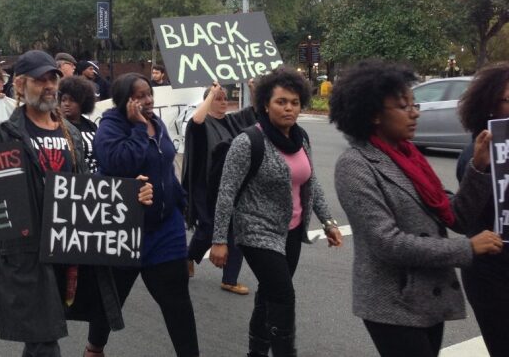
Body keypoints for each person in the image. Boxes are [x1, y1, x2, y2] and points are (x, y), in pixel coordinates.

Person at [0, 50, 151, 357]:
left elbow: (88, 189)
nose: (49, 86)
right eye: (40, 80)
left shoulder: (70, 132)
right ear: (19, 85)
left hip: (66, 249)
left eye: (52, 79)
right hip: (26, 254)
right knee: (44, 340)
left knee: (40, 337)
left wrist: (130, 195)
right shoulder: (2, 136)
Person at [330, 60, 502, 357]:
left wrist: (479, 167)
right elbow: (387, 242)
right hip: (391, 303)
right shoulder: (355, 165)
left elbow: (456, 216)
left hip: (429, 297)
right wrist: (468, 249)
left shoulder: (411, 158)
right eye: (403, 106)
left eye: (415, 104)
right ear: (373, 115)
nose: (415, 113)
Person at [210, 67, 342, 357]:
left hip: (291, 231)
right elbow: (226, 192)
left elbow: (310, 181)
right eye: (281, 102)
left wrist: (329, 221)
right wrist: (219, 240)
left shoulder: (301, 138)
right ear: (266, 104)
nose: (289, 108)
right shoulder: (248, 142)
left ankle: (256, 352)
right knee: (283, 296)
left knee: (269, 295)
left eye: (294, 102)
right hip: (257, 231)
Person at [88, 72, 198, 357]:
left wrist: (179, 200)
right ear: (125, 100)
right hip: (126, 232)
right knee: (111, 300)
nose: (148, 101)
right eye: (139, 97)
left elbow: (164, 164)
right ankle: (94, 348)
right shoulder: (110, 126)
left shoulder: (156, 123)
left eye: (149, 94)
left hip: (165, 230)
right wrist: (137, 128)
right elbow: (118, 162)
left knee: (178, 303)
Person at [454, 62, 509, 356]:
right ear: (490, 106)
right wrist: (481, 166)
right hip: (493, 272)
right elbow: (465, 216)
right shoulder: (475, 155)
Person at [182, 82, 257, 289]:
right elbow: (195, 121)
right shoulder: (202, 122)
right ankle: (188, 257)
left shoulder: (233, 121)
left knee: (235, 228)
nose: (223, 102)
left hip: (233, 185)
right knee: (208, 228)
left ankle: (229, 279)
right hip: (206, 187)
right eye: (218, 98)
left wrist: (252, 88)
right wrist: (211, 93)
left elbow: (257, 111)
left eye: (225, 98)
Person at [57, 75, 99, 173]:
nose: (66, 104)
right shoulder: (58, 126)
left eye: (72, 100)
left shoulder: (91, 126)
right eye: (63, 100)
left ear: (83, 102)